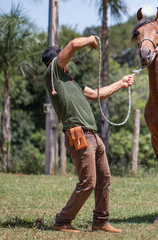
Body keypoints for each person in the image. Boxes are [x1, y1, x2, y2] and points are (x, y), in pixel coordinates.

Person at [41, 36, 134, 233]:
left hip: (93, 136)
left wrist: (121, 83)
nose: (68, 61)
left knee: (104, 178)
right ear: (55, 61)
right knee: (88, 182)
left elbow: (96, 94)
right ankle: (62, 221)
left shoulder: (71, 82)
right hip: (79, 135)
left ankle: (101, 221)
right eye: (62, 58)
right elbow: (74, 45)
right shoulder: (53, 75)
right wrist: (92, 40)